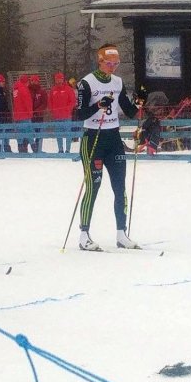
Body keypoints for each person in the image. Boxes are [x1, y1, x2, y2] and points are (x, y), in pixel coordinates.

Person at [74, 44, 140, 250]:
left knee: (120, 187)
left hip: (113, 138)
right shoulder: (86, 83)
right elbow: (80, 114)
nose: (112, 67)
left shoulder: (118, 82)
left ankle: (121, 234)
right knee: (93, 186)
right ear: (100, 61)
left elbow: (129, 111)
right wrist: (98, 105)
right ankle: (84, 235)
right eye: (109, 63)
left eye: (116, 63)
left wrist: (139, 101)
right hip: (93, 138)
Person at [49, 71, 76, 153]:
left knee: (68, 133)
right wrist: (52, 111)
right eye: (57, 79)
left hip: (67, 116)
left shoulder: (68, 89)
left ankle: (67, 149)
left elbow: (72, 101)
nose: (58, 81)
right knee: (58, 134)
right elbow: (50, 102)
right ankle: (60, 149)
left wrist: (68, 110)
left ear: (63, 79)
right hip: (57, 116)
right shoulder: (53, 90)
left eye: (60, 79)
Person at [12, 74, 33, 153]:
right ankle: (34, 147)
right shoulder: (24, 89)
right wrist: (30, 112)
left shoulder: (16, 88)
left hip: (17, 114)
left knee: (20, 131)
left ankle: (21, 147)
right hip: (25, 114)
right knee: (29, 130)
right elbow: (27, 102)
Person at [30, 74, 47, 153]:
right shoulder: (28, 90)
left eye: (36, 81)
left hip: (39, 115)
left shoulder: (42, 91)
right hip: (29, 115)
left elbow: (44, 103)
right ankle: (26, 147)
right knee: (29, 131)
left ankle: (38, 148)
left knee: (39, 132)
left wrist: (37, 111)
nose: (34, 82)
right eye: (33, 81)